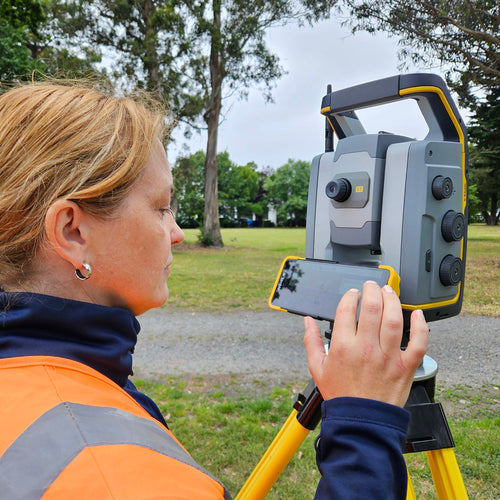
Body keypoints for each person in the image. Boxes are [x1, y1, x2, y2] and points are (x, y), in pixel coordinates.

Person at [0, 82, 428, 499]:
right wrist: (364, 426)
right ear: (72, 232)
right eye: (161, 207)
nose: (177, 233)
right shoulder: (112, 473)